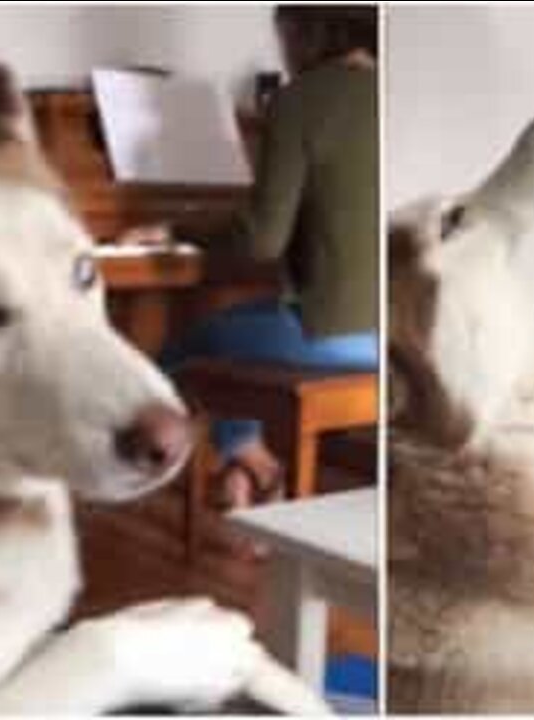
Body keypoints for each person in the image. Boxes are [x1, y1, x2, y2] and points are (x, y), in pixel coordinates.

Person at [160, 5, 379, 509]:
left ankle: (255, 463)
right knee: (245, 332)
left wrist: (174, 228)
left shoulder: (300, 100)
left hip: (335, 337)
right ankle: (246, 470)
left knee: (185, 350)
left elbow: (261, 240)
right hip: (391, 337)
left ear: (305, 31)